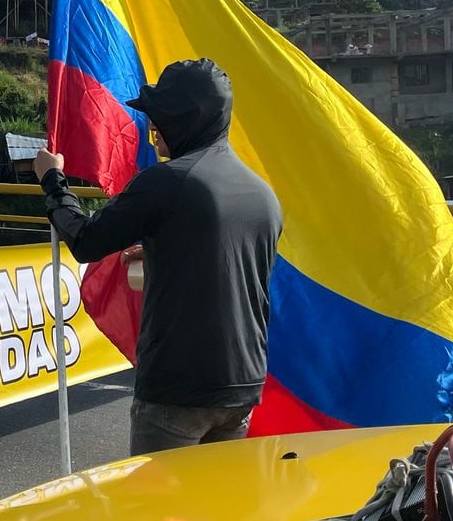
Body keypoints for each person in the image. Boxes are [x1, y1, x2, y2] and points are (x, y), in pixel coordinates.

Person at [33, 58, 282, 455]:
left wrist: (53, 180)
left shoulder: (168, 181)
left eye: (159, 116)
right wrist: (159, 249)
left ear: (184, 119)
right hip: (242, 386)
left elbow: (85, 240)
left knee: (158, 496)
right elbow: (224, 269)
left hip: (179, 387)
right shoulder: (261, 193)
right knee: (218, 496)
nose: (152, 126)